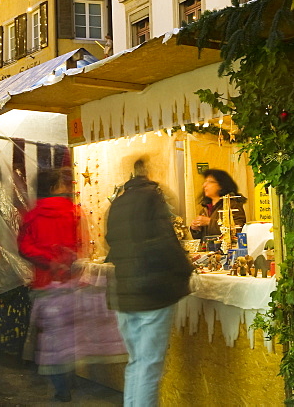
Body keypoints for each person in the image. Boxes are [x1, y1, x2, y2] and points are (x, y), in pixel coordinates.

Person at [105, 158, 193, 407]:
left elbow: (111, 241)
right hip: (153, 291)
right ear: (149, 173)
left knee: (137, 362)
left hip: (124, 291)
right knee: (149, 365)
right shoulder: (153, 197)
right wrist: (186, 270)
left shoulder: (118, 202)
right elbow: (167, 242)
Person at [18, 168, 82, 402]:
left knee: (53, 337)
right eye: (62, 184)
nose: (67, 187)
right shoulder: (73, 212)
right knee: (70, 334)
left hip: (45, 284)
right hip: (71, 282)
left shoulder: (31, 216)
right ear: (55, 188)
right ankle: (71, 380)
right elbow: (81, 243)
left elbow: (24, 247)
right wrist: (67, 260)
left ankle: (61, 387)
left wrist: (48, 261)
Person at [189, 169, 247, 240]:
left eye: (210, 182)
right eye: (205, 182)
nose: (204, 185)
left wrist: (209, 222)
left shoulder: (233, 205)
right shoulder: (205, 208)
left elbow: (237, 229)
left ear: (221, 185)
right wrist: (196, 229)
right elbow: (200, 238)